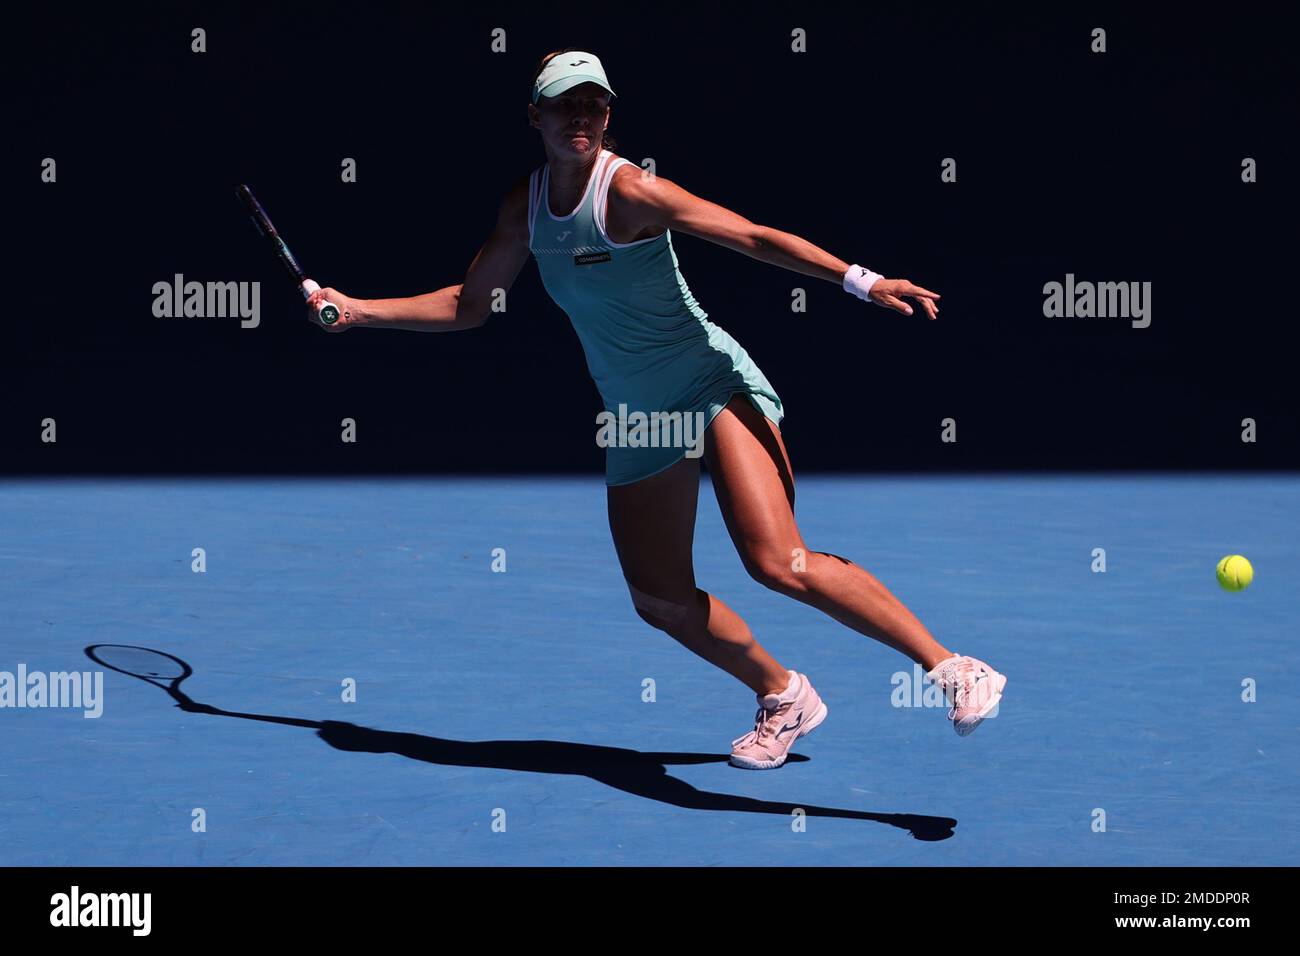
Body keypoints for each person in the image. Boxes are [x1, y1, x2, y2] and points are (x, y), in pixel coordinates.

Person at [305, 49, 1007, 770]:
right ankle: (784, 694)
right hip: (638, 414)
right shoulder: (526, 206)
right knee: (659, 599)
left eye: (594, 105)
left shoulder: (634, 191)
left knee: (777, 561)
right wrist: (357, 309)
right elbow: (468, 304)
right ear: (535, 116)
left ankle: (952, 666)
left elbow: (753, 236)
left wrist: (859, 280)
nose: (580, 117)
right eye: (564, 104)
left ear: (609, 116)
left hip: (708, 383)